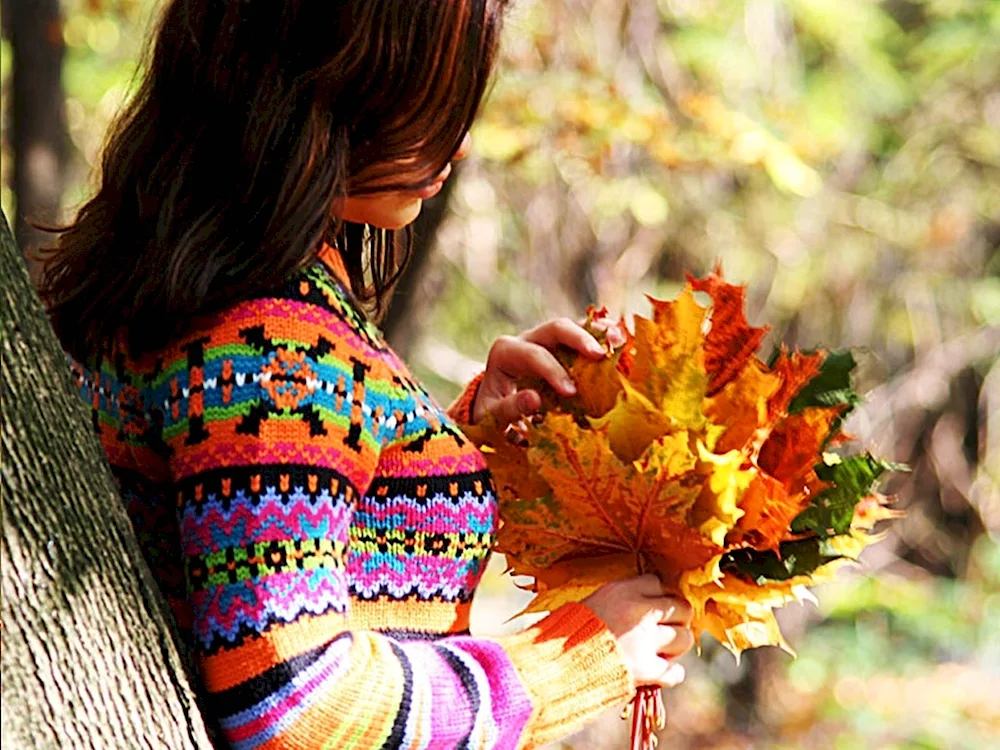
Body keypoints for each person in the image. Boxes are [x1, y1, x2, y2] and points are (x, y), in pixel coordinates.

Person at [40, 1, 694, 747]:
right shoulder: (274, 344)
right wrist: (577, 657)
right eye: (429, 94)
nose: (460, 136)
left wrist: (448, 446)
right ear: (324, 82)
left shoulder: (201, 287)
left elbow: (284, 514)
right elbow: (293, 708)